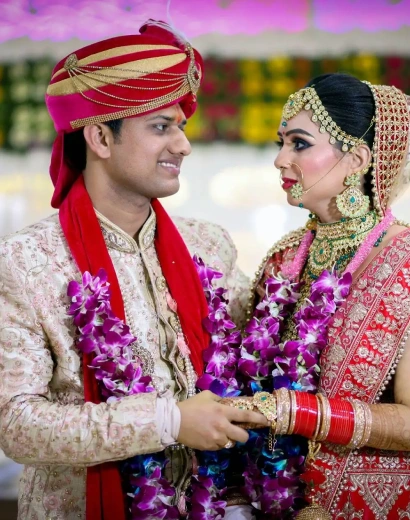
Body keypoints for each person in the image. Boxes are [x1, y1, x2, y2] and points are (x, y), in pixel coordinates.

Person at [0, 21, 268, 520]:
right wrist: (163, 421)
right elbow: (15, 423)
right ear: (100, 136)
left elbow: (258, 355)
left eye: (181, 126)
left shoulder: (208, 244)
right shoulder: (27, 259)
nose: (183, 145)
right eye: (161, 127)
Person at [223, 73, 410, 519]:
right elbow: (245, 380)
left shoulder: (405, 261)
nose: (280, 159)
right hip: (269, 501)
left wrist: (287, 411)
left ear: (358, 159)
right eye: (280, 142)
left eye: (299, 143)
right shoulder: (282, 259)